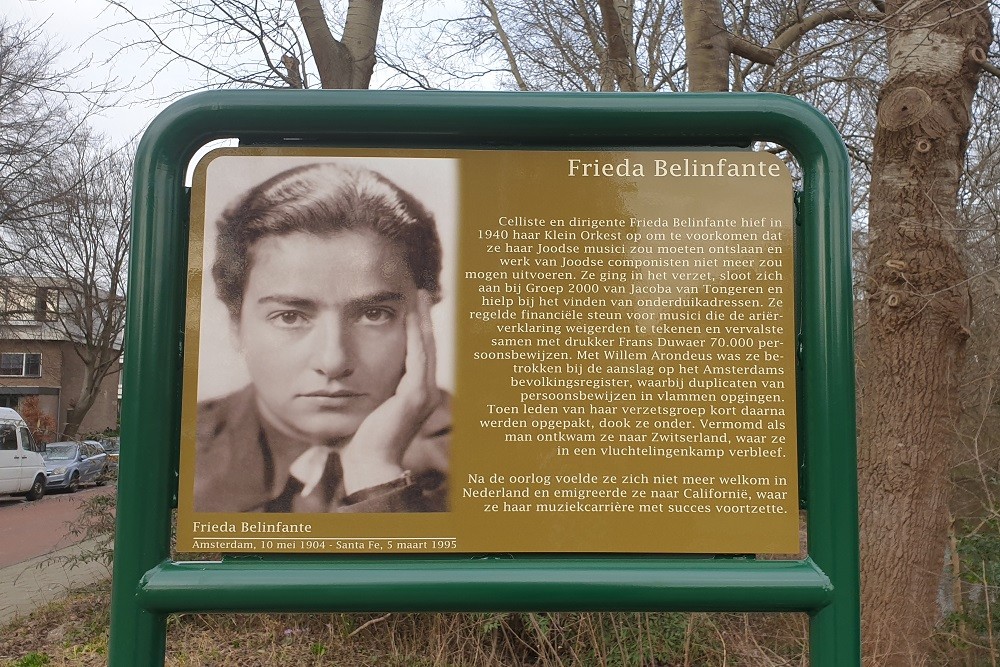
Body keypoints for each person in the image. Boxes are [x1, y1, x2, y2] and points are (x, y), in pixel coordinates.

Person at [193, 162, 450, 513]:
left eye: (374, 314)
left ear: (424, 316)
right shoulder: (183, 451)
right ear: (236, 324)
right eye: (290, 316)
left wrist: (374, 469)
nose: (333, 361)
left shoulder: (489, 451)